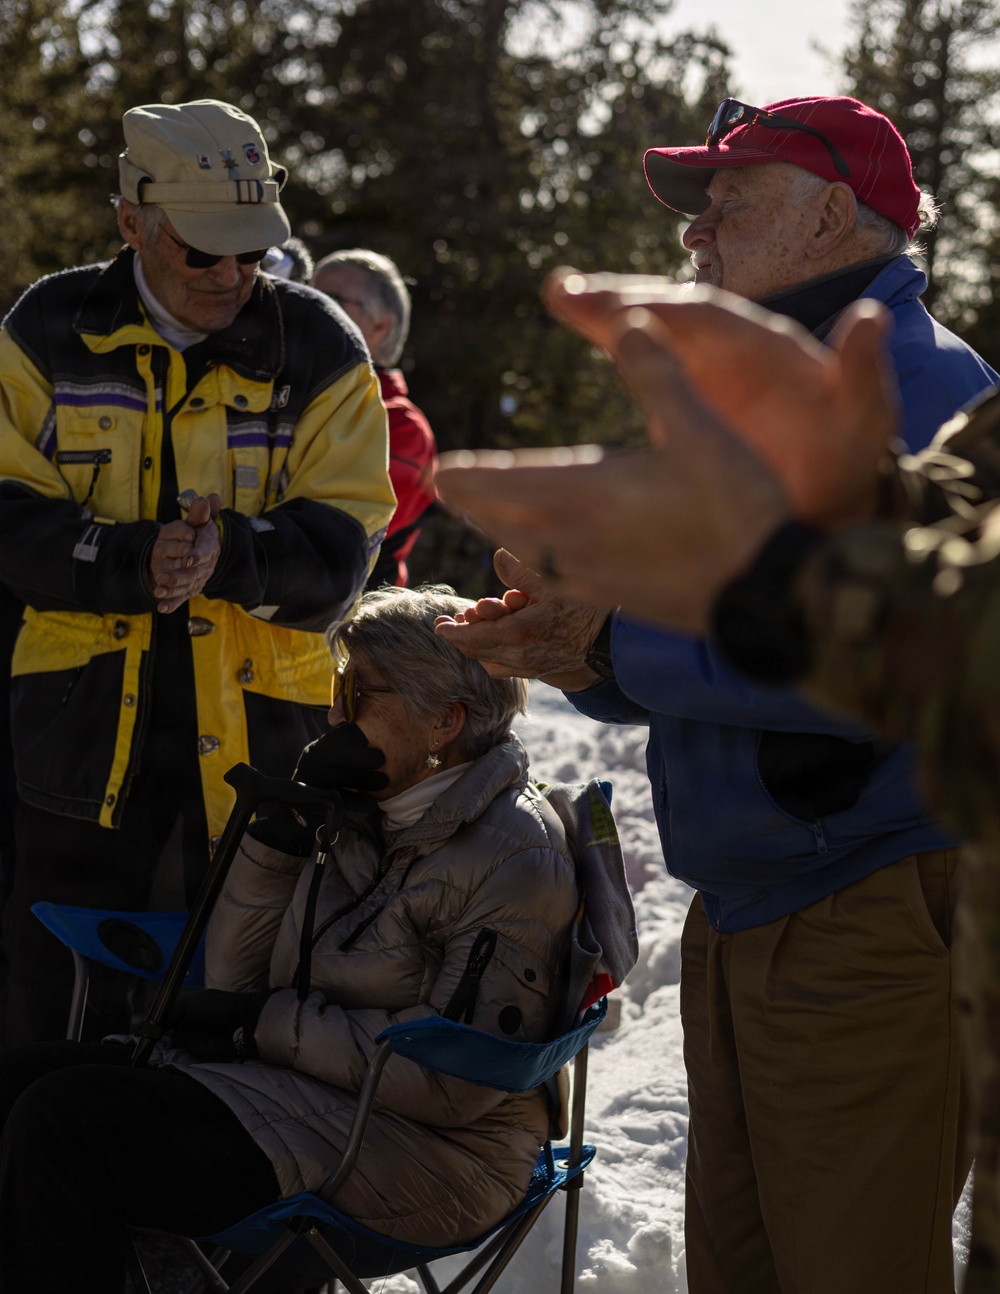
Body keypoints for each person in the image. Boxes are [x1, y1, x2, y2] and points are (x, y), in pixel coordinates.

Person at [435, 97, 999, 1294]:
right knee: (741, 1268)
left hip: (869, 911)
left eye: (727, 204)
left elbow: (884, 660)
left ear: (834, 214)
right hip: (761, 905)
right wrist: (578, 649)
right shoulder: (757, 394)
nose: (696, 237)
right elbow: (713, 630)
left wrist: (617, 645)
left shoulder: (918, 384)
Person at [0, 584, 629, 1294]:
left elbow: (453, 1082)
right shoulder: (369, 810)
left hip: (434, 1154)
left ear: (443, 721)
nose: (333, 714)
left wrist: (262, 1026)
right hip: (310, 1100)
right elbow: (239, 982)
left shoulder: (515, 856)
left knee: (64, 1129)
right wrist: (277, 838)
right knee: (21, 1081)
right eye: (337, 685)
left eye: (358, 691)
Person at [0, 98, 396, 1046]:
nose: (232, 275)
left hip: (266, 751)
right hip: (74, 749)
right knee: (47, 1010)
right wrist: (130, 561)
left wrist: (232, 556)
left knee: (236, 1016)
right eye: (203, 251)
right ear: (133, 221)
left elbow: (347, 548)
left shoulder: (322, 345)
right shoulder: (47, 329)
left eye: (252, 252)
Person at [312, 250, 437, 587]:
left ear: (380, 326)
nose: (307, 306)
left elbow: (337, 535)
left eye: (329, 299)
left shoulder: (401, 426)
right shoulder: (298, 396)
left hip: (354, 629)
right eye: (306, 291)